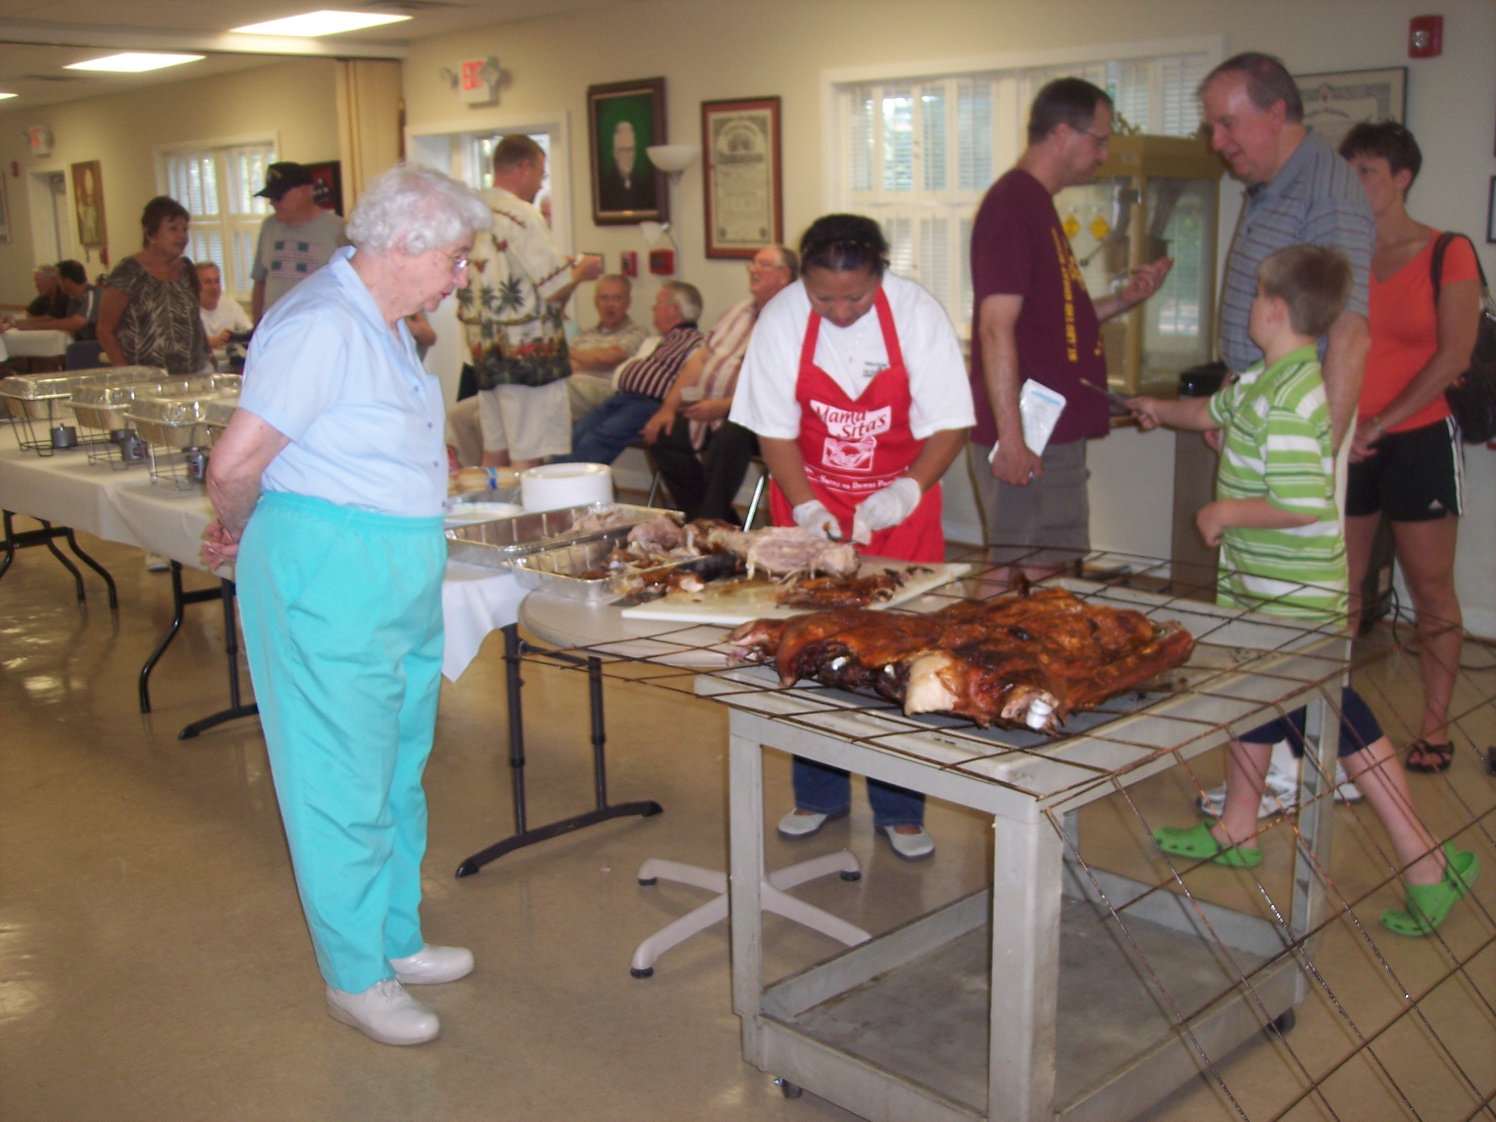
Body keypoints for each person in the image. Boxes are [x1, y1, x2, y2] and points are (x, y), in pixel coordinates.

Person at [201, 163, 492, 1046]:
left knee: (395, 769)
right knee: (339, 780)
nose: (461, 276)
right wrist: (240, 532)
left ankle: (393, 937)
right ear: (401, 244)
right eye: (455, 258)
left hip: (391, 567)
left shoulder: (385, 321)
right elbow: (233, 464)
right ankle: (354, 975)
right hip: (330, 568)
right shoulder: (320, 323)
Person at [1132, 245, 1478, 937]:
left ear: (1275, 309)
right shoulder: (1262, 382)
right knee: (1253, 696)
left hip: (1295, 598)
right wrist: (1155, 409)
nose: (1248, 302)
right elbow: (1207, 413)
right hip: (1259, 590)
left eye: (1256, 292)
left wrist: (1224, 511)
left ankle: (1425, 862)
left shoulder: (1294, 398)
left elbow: (1302, 503)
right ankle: (1237, 825)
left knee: (1337, 719)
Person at [731, 214, 975, 860]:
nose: (840, 312)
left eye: (856, 298)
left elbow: (950, 423)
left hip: (901, 501)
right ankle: (819, 795)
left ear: (880, 276)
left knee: (901, 649)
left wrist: (904, 492)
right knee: (812, 645)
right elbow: (774, 431)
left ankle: (901, 808)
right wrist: (808, 507)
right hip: (810, 491)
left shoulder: (916, 315)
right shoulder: (783, 318)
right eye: (824, 298)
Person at [969, 78, 1173, 580]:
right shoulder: (1014, 204)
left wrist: (1125, 299)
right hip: (1029, 429)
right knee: (1031, 567)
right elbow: (995, 328)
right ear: (1062, 134)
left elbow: (1054, 323)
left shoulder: (1035, 203)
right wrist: (1012, 440)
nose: (1103, 155)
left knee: (1027, 564)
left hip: (1045, 426)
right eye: (1099, 141)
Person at [1338, 123, 1480, 774]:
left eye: (1367, 170)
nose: (1355, 182)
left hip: (1419, 436)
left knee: (1430, 588)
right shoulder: (1344, 252)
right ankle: (1331, 712)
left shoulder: (1448, 251)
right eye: (1349, 170)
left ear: (1402, 178)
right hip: (1353, 441)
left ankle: (1434, 725)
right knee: (1342, 584)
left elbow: (1454, 355)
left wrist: (1384, 421)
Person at [1203, 53, 1373, 451]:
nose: (1216, 142)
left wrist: (1318, 456)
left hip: (1292, 428)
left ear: (1276, 114)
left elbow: (1350, 334)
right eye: (1212, 128)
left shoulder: (1327, 192)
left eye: (1227, 124)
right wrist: (1229, 398)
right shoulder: (1271, 183)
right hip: (1255, 407)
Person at [458, 134, 602, 469]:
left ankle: (494, 503)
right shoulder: (523, 215)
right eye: (540, 173)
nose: (539, 184)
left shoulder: (472, 213)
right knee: (527, 454)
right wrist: (582, 272)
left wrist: (562, 269)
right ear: (524, 167)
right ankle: (525, 507)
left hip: (485, 351)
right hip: (527, 355)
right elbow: (554, 290)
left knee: (495, 449)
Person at [640, 244, 798, 523]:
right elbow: (700, 359)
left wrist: (724, 407)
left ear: (784, 275)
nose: (753, 269)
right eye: (753, 263)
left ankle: (707, 522)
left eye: (762, 264)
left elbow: (782, 387)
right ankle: (715, 521)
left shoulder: (794, 320)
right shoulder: (736, 311)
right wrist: (667, 408)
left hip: (758, 418)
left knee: (729, 440)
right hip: (707, 409)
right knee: (662, 434)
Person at [557, 281, 704, 465]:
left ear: (674, 309)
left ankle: (565, 479)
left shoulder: (696, 343)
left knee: (597, 438)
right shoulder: (656, 340)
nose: (653, 307)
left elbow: (691, 382)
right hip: (622, 398)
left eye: (658, 302)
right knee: (580, 431)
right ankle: (551, 475)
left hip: (650, 404)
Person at [93, 197, 211, 375]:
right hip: (146, 379)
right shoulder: (128, 273)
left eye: (184, 229)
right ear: (151, 233)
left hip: (194, 374)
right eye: (173, 229)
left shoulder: (187, 270)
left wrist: (208, 353)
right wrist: (126, 374)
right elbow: (105, 330)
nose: (182, 236)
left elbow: (194, 319)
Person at [250, 161, 349, 322]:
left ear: (306, 191)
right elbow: (260, 281)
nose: (272, 202)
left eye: (278, 196)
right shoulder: (269, 227)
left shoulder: (340, 230)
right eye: (270, 197)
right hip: (275, 328)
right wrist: (257, 325)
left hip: (319, 328)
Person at [566, 274, 652, 421]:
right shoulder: (583, 336)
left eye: (616, 298)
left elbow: (606, 358)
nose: (609, 304)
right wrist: (596, 362)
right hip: (572, 394)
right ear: (596, 302)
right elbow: (561, 365)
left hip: (603, 398)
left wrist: (573, 355)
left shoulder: (638, 333)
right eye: (604, 298)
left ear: (627, 302)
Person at [2, 260, 102, 339]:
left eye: (58, 279)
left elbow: (75, 323)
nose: (57, 283)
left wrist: (33, 325)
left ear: (67, 281)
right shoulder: (72, 298)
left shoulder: (93, 295)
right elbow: (67, 324)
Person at [597, 119, 656, 214]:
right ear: (615, 153)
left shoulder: (643, 187)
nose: (628, 155)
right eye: (623, 150)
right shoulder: (604, 188)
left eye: (631, 149)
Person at [196, 261, 254, 347]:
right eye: (208, 282)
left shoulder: (232, 307)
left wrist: (235, 336)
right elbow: (186, 343)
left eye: (217, 281)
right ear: (195, 285)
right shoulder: (188, 310)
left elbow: (249, 333)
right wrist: (215, 341)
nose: (214, 287)